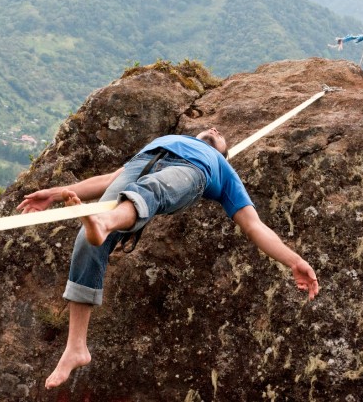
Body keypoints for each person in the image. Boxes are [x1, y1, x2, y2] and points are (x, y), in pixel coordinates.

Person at [17, 127, 320, 390]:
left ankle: (106, 222)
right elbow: (109, 178)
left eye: (221, 136)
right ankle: (76, 347)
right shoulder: (165, 139)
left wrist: (293, 260)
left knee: (151, 191)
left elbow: (253, 225)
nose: (215, 129)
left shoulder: (221, 169)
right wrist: (55, 194)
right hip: (144, 162)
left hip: (189, 172)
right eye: (210, 129)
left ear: (224, 153)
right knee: (86, 241)